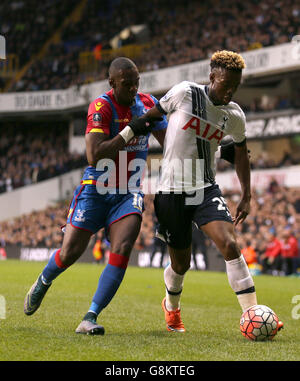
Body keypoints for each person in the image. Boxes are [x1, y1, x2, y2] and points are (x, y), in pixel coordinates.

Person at [139, 50, 283, 332]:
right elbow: (152, 116)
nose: (229, 91)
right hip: (171, 192)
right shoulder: (184, 93)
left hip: (205, 188)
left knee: (230, 244)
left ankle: (253, 315)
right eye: (224, 84)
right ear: (212, 77)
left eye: (235, 87)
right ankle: (171, 306)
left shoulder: (234, 115)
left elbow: (241, 153)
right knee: (181, 264)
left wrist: (246, 195)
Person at [23, 57, 168, 335]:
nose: (134, 89)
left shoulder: (148, 104)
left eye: (137, 83)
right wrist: (132, 129)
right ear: (112, 82)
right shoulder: (102, 106)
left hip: (128, 192)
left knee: (123, 247)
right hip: (96, 190)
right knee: (70, 253)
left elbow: (170, 141)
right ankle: (43, 280)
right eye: (127, 84)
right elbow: (94, 154)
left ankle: (90, 316)